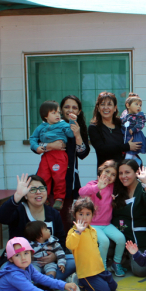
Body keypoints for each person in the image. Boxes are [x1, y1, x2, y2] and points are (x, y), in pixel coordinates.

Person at [0, 174, 75, 280]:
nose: (38, 192)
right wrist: (16, 196)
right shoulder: (19, 210)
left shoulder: (53, 213)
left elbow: (61, 239)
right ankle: (46, 281)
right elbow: (1, 217)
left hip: (49, 263)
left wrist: (54, 256)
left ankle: (37, 281)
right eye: (32, 189)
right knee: (7, 270)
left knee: (77, 260)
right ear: (25, 195)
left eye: (41, 188)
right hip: (23, 262)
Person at [79, 160, 127, 276]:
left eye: (113, 174)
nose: (109, 176)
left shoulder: (113, 188)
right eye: (107, 172)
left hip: (106, 224)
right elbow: (81, 192)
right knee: (104, 242)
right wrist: (97, 187)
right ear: (100, 171)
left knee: (121, 238)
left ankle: (116, 263)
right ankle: (102, 268)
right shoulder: (93, 184)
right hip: (93, 224)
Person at [111, 160, 146, 277]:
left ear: (136, 172)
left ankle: (128, 257)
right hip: (117, 239)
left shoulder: (142, 188)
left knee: (141, 271)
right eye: (120, 173)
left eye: (127, 172)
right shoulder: (116, 190)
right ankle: (120, 257)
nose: (123, 176)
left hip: (137, 240)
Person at [66, 198, 118, 291]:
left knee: (113, 287)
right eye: (81, 214)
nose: (84, 218)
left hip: (99, 269)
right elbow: (70, 246)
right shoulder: (73, 231)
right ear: (74, 215)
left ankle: (93, 282)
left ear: (92, 215)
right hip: (87, 273)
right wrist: (78, 232)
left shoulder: (93, 230)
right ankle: (81, 283)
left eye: (88, 214)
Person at [29, 100, 76, 210]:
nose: (58, 115)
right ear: (46, 116)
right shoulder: (41, 127)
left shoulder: (63, 124)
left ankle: (59, 198)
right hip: (46, 155)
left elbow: (70, 133)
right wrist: (36, 147)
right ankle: (43, 197)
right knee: (43, 176)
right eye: (54, 113)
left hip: (59, 155)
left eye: (58, 113)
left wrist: (72, 122)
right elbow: (33, 138)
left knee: (59, 177)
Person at [58, 95, 91, 227]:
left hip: (69, 178)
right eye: (66, 107)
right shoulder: (52, 125)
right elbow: (37, 143)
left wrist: (77, 135)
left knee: (67, 215)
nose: (70, 110)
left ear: (79, 112)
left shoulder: (79, 127)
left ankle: (65, 244)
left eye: (74, 107)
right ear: (60, 109)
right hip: (52, 176)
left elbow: (82, 153)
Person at [88, 92, 141, 169]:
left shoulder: (121, 123)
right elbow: (102, 149)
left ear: (115, 108)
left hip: (125, 171)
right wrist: (126, 147)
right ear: (98, 108)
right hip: (106, 172)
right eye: (102, 104)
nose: (106, 107)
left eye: (109, 104)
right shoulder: (94, 127)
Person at [120, 92, 146, 164]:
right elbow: (121, 120)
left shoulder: (139, 115)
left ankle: (126, 163)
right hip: (126, 134)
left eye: (140, 105)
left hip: (134, 135)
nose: (139, 107)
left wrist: (134, 129)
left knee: (130, 151)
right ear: (128, 105)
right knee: (128, 151)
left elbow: (141, 124)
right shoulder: (125, 113)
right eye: (136, 104)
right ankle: (136, 160)